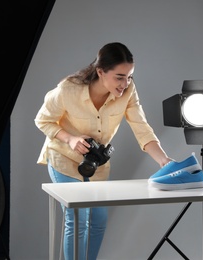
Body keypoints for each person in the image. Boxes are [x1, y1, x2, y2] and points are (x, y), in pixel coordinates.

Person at [34, 42, 173, 260]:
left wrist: (164, 161)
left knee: (98, 221)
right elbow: (43, 120)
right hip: (64, 159)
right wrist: (70, 138)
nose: (125, 83)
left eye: (129, 76)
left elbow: (141, 127)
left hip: (96, 163)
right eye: (119, 77)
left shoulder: (128, 91)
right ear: (101, 71)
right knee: (77, 217)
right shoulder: (68, 89)